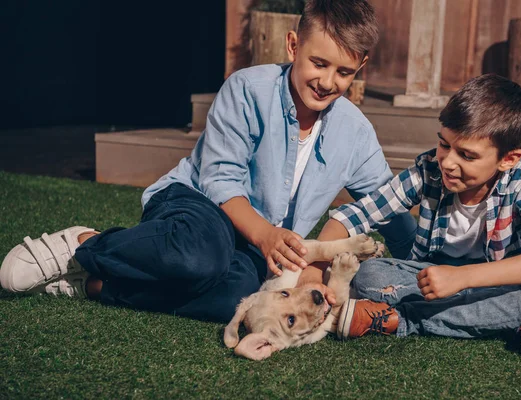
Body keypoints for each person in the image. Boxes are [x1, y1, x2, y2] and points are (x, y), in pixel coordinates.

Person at [0, 0, 416, 323]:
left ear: (360, 67)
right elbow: (220, 180)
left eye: (343, 71)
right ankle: (84, 246)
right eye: (318, 63)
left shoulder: (356, 132)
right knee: (201, 256)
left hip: (255, 246)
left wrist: (430, 261)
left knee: (237, 298)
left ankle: (95, 284)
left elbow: (389, 204)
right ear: (293, 46)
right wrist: (268, 236)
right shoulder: (248, 90)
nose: (328, 82)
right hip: (197, 205)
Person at [317, 74, 521, 359]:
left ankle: (403, 319)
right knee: (369, 274)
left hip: (500, 283)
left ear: (508, 159)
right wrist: (314, 270)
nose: (448, 162)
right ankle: (513, 323)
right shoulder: (430, 168)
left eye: (467, 155)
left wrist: (463, 278)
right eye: (444, 145)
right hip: (434, 278)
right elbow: (355, 215)